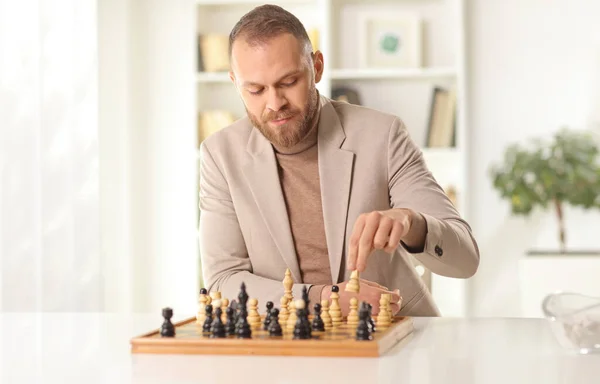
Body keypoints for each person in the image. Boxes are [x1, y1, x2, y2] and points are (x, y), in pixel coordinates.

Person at [198, 4, 480, 316]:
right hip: (284, 345)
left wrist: (412, 223)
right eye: (255, 90)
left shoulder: (382, 135)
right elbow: (223, 280)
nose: (275, 103)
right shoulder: (219, 155)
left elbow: (465, 260)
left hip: (395, 338)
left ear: (316, 67)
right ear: (235, 83)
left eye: (289, 82)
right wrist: (323, 298)